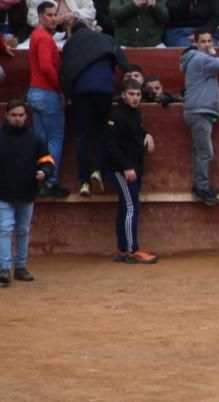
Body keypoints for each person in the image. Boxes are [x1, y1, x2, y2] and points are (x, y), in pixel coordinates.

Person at [60, 21, 129, 196]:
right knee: (100, 130)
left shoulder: (70, 43)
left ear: (72, 33)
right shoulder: (105, 38)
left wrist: (66, 95)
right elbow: (123, 61)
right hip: (104, 87)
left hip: (81, 90)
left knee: (82, 134)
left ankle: (84, 182)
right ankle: (97, 171)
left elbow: (65, 70)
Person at [179, 27, 219, 205]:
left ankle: (201, 185)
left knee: (200, 151)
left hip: (198, 110)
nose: (206, 45)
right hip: (199, 111)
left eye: (208, 41)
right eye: (202, 42)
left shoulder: (198, 59)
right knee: (205, 152)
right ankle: (201, 188)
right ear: (195, 43)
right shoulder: (199, 59)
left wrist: (212, 53)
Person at [104, 75, 159, 264]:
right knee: (130, 207)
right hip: (122, 169)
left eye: (137, 94)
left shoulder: (135, 113)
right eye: (131, 94)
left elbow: (136, 132)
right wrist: (126, 167)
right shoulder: (116, 115)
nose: (135, 98)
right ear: (123, 95)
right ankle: (131, 249)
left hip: (132, 167)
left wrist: (147, 135)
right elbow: (111, 146)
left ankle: (122, 248)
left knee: (125, 207)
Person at [0, 98, 52, 286]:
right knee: (5, 229)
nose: (18, 118)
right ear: (6, 116)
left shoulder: (34, 138)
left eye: (21, 115)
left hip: (26, 192)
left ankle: (20, 267)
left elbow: (47, 160)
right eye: (14, 115)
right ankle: (5, 268)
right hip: (3, 192)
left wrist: (43, 172)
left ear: (26, 116)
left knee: (22, 230)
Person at [27, 1, 67, 198]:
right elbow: (46, 66)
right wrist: (60, 89)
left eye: (55, 15)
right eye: (49, 15)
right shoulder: (44, 37)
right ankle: (50, 182)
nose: (53, 18)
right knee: (55, 139)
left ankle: (40, 181)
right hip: (47, 93)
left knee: (41, 140)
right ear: (41, 16)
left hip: (35, 93)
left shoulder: (36, 35)